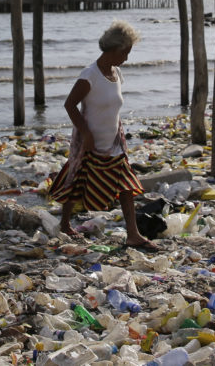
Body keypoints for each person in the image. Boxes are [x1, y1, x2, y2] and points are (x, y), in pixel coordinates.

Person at [49, 20, 158, 251]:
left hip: (113, 143)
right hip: (90, 142)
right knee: (76, 180)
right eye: (125, 52)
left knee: (126, 185)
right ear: (113, 49)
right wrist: (86, 133)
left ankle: (133, 234)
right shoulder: (90, 75)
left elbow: (112, 108)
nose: (127, 58)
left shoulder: (116, 73)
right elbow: (70, 105)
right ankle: (65, 223)